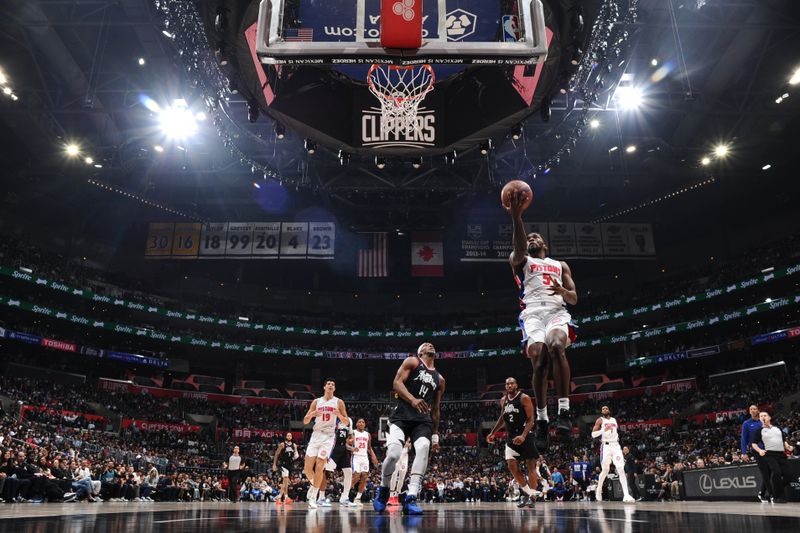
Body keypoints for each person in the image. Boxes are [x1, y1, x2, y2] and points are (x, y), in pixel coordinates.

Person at [506, 194, 578, 449]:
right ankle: (542, 420)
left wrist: (563, 292)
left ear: (545, 243)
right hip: (533, 314)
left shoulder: (560, 265)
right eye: (529, 237)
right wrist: (517, 217)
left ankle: (565, 412)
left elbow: (574, 299)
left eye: (536, 237)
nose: (531, 239)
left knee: (557, 347)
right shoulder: (522, 260)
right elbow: (519, 246)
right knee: (539, 364)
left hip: (557, 311)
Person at [373, 342, 445, 515]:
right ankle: (383, 489)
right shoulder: (412, 362)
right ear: (420, 352)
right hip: (401, 417)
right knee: (393, 455)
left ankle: (411, 497)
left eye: (431, 344)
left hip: (422, 421)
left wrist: (435, 435)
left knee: (423, 448)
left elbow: (436, 408)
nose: (429, 345)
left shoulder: (440, 379)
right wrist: (412, 399)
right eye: (425, 345)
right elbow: (397, 383)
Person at [486, 376, 539, 508]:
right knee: (511, 465)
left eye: (512, 383)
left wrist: (523, 435)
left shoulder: (524, 398)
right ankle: (528, 493)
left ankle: (532, 496)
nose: (509, 385)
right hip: (511, 436)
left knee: (530, 467)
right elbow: (502, 418)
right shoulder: (503, 400)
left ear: (516, 385)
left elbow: (531, 419)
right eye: (507, 384)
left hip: (525, 435)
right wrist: (493, 432)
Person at [302, 378, 350, 509]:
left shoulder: (339, 402)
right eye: (328, 384)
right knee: (307, 469)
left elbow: (347, 423)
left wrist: (339, 415)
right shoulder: (316, 401)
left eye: (333, 384)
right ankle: (314, 486)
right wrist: (312, 414)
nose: (331, 385)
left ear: (334, 388)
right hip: (316, 434)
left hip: (328, 436)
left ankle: (314, 497)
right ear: (324, 387)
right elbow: (305, 421)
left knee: (319, 465)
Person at [592, 405, 634, 503]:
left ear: (609, 410)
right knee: (605, 470)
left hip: (616, 446)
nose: (604, 409)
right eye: (602, 409)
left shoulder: (614, 420)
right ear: (601, 411)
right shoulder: (600, 420)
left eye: (606, 408)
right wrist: (603, 430)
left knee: (620, 469)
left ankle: (626, 495)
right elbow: (593, 434)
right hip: (606, 446)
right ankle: (599, 489)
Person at [752, 411, 795, 504]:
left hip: (781, 455)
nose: (763, 417)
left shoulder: (778, 428)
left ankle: (776, 491)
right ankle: (778, 497)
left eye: (765, 415)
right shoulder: (759, 431)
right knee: (776, 473)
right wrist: (760, 450)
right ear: (760, 419)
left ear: (769, 417)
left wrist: (788, 447)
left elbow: (784, 441)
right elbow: (754, 444)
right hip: (770, 455)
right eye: (761, 416)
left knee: (789, 476)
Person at [741, 404, 769, 502]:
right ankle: (767, 494)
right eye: (751, 409)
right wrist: (744, 453)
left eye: (755, 409)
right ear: (749, 411)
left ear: (758, 410)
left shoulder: (763, 421)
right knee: (765, 471)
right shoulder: (746, 423)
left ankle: (762, 493)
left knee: (770, 471)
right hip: (757, 450)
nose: (753, 410)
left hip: (769, 449)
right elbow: (744, 439)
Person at [323, 419, 354, 506]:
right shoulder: (333, 418)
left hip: (343, 449)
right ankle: (319, 497)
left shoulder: (348, 420)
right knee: (325, 472)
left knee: (348, 472)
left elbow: (350, 436)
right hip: (333, 449)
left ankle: (345, 498)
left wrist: (351, 442)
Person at [350, 418, 379, 506]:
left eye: (363, 422)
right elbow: (348, 443)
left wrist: (373, 456)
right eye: (359, 422)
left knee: (364, 477)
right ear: (356, 424)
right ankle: (345, 493)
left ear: (365, 424)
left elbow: (369, 447)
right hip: (356, 456)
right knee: (356, 476)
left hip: (364, 457)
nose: (361, 423)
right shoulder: (353, 432)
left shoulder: (368, 434)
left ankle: (358, 498)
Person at [273, 432, 300, 504]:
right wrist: (274, 464)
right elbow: (276, 454)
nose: (289, 436)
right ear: (286, 436)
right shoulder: (282, 444)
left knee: (285, 481)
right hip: (283, 464)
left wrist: (296, 454)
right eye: (288, 435)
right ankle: (285, 497)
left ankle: (280, 497)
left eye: (290, 435)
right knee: (285, 479)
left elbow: (296, 456)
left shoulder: (294, 445)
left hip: (290, 465)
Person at [388, 439, 411, 506]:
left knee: (402, 478)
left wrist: (409, 445)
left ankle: (396, 496)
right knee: (394, 475)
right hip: (396, 454)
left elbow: (411, 447)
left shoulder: (409, 434)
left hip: (404, 456)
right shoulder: (396, 433)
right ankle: (391, 496)